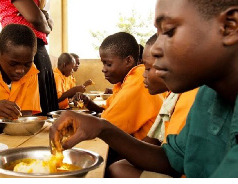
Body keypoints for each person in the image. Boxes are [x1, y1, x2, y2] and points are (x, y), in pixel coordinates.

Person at [50, 0, 238, 178]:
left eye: (169, 31)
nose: (155, 50)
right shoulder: (208, 94)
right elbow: (171, 159)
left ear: (229, 26)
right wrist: (102, 128)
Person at [107, 34, 198, 177]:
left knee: (115, 167)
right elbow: (156, 142)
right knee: (117, 164)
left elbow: (175, 163)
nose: (144, 74)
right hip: (167, 159)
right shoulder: (173, 95)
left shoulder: (191, 97)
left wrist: (101, 127)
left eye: (148, 68)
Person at [74, 32, 164, 140]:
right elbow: (108, 111)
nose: (103, 69)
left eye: (108, 64)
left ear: (128, 61)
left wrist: (72, 121)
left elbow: (106, 123)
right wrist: (89, 103)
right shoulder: (124, 82)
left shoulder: (138, 79)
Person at [0, 0, 59, 116]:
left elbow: (45, 19)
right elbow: (36, 19)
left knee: (47, 104)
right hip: (21, 48)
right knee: (36, 109)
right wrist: (46, 25)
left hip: (37, 46)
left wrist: (43, 18)